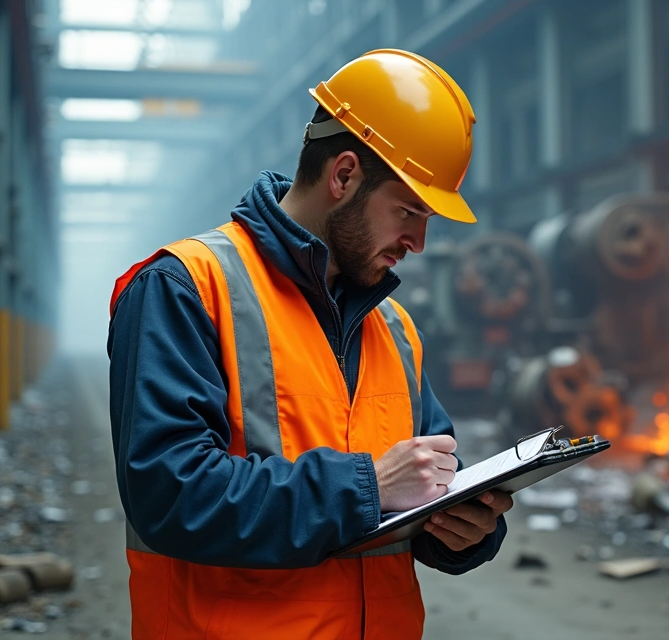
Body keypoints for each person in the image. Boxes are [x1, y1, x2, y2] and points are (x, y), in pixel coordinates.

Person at [106, 49, 511, 639]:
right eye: (408, 211)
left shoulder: (393, 327)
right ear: (343, 176)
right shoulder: (184, 287)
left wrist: (464, 529)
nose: (419, 242)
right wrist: (369, 487)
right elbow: (171, 494)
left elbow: (422, 479)